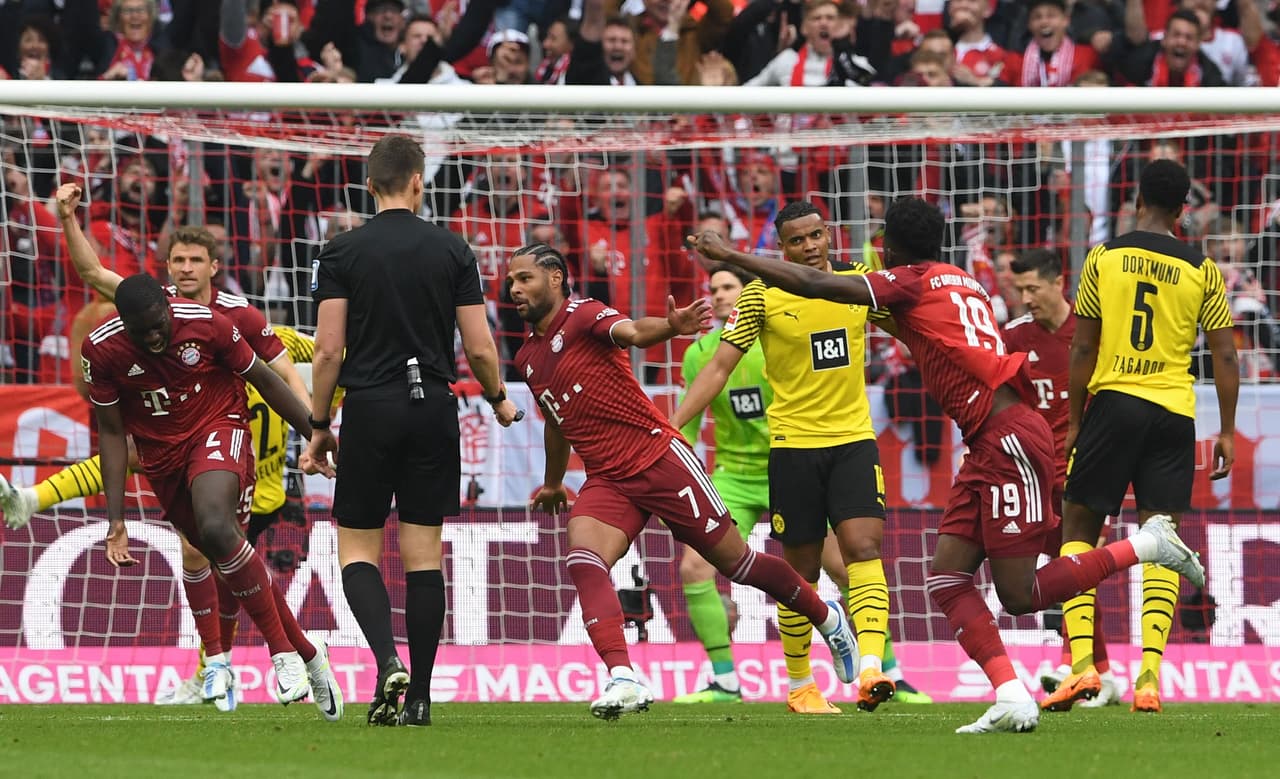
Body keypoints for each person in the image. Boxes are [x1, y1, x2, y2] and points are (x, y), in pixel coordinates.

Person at [689, 196, 1208, 734]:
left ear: (888, 248)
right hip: (985, 440)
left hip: (1006, 437)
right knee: (946, 579)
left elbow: (825, 287)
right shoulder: (957, 278)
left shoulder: (903, 284)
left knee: (1018, 594)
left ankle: (1148, 545)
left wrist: (733, 255)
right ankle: (1010, 694)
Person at [2, 183, 326, 715]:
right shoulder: (140, 310)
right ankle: (275, 661)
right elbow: (92, 275)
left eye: (196, 259)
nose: (186, 268)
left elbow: (281, 369)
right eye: (177, 259)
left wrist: (314, 429)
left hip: (240, 451)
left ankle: (242, 660)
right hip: (177, 444)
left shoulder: (235, 314)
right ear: (165, 269)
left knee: (214, 547)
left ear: (214, 266)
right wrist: (67, 220)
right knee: (212, 553)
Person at [505, 242, 859, 720]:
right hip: (608, 479)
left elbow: (631, 331)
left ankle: (828, 617)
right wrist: (552, 482)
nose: (514, 288)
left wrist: (670, 327)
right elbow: (555, 421)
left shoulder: (584, 314)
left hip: (659, 459)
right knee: (584, 560)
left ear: (554, 278)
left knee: (739, 564)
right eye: (511, 281)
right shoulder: (528, 356)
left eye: (524, 278)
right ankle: (623, 677)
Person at [305, 133, 521, 728]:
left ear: (369, 184)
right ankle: (421, 697)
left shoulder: (341, 253)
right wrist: (500, 400)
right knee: (425, 555)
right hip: (433, 407)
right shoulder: (453, 250)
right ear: (420, 182)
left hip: (371, 406)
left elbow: (327, 351)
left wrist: (320, 425)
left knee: (357, 548)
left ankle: (385, 661)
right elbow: (479, 347)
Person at [79, 273, 342, 722]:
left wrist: (316, 432)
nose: (155, 336)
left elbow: (267, 379)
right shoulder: (101, 350)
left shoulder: (209, 323)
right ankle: (311, 653)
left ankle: (280, 654)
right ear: (124, 325)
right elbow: (110, 432)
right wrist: (116, 520)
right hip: (163, 458)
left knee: (218, 528)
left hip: (219, 427)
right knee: (224, 554)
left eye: (159, 324)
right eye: (143, 332)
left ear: (168, 304)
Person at [672, 201, 896, 714]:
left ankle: (870, 670)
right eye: (798, 241)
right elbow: (719, 367)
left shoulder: (859, 282)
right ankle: (801, 685)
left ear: (828, 234)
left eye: (817, 235)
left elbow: (909, 326)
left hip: (854, 440)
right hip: (793, 447)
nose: (811, 247)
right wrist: (676, 422)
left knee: (864, 547)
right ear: (783, 246)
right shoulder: (761, 295)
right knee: (802, 571)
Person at [1054, 158, 1238, 715]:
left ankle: (1083, 668)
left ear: (1136, 200)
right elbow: (1226, 353)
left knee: (1079, 528)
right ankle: (1151, 677)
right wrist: (1226, 430)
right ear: (1185, 209)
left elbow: (1083, 346)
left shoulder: (1103, 257)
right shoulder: (1201, 268)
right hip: (1172, 414)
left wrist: (1077, 422)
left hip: (1114, 402)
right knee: (1163, 539)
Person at [1002, 248, 1120, 709]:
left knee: (1078, 569)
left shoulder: (1092, 333)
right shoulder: (1011, 337)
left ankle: (1080, 666)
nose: (1027, 298)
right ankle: (1100, 672)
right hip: (1032, 471)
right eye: (1020, 290)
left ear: (1058, 283)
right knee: (1073, 574)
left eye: (1033, 288)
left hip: (1087, 468)